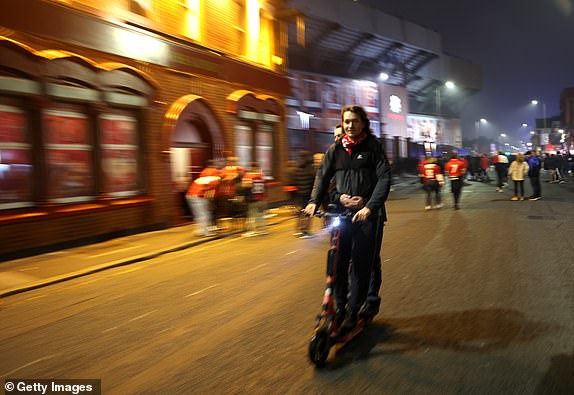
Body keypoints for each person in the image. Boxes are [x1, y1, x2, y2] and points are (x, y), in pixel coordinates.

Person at [304, 105, 391, 333]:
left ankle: (354, 310)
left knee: (362, 264)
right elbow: (322, 176)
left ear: (363, 123)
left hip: (367, 217)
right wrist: (314, 200)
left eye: (354, 121)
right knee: (338, 262)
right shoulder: (336, 149)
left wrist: (369, 207)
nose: (350, 126)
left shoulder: (373, 148)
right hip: (342, 214)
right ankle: (340, 307)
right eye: (346, 122)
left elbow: (384, 179)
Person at [186, 160, 221, 237]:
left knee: (199, 215)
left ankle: (200, 231)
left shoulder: (203, 173)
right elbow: (209, 191)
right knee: (205, 214)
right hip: (198, 196)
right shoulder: (215, 177)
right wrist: (210, 202)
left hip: (190, 195)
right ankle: (205, 232)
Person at [241, 162, 268, 236]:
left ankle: (252, 231)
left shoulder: (248, 176)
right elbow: (265, 186)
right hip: (262, 198)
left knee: (251, 216)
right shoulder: (262, 176)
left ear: (252, 168)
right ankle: (262, 230)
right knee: (261, 215)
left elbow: (245, 186)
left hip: (253, 199)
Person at [293, 151, 316, 238]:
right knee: (309, 213)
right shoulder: (310, 168)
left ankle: (298, 230)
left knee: (300, 213)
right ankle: (305, 231)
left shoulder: (297, 168)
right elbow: (314, 181)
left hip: (299, 194)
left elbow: (295, 181)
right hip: (308, 195)